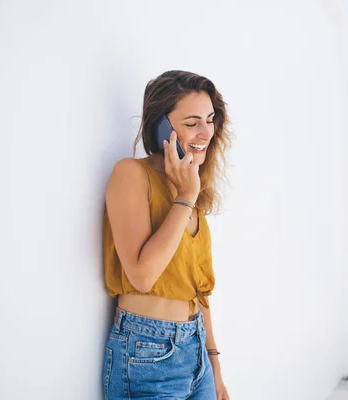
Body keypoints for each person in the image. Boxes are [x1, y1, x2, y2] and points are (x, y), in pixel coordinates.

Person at [101, 70, 232, 400]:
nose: (206, 132)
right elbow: (142, 276)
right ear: (161, 126)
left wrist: (214, 369)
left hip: (196, 349)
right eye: (191, 123)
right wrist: (185, 197)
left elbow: (199, 293)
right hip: (148, 352)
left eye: (210, 119)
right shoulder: (131, 175)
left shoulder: (190, 190)